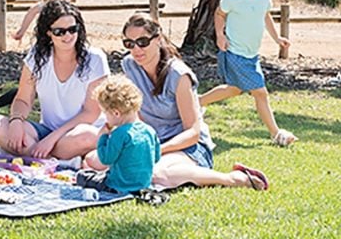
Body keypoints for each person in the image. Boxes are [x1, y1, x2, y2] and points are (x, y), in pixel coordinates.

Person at [115, 14, 269, 191]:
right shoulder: (130, 65)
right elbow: (136, 115)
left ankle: (234, 179)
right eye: (129, 44)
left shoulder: (179, 75)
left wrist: (155, 150)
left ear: (157, 39)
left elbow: (193, 133)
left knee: (156, 175)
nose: (136, 49)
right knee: (107, 165)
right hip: (153, 143)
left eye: (142, 42)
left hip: (188, 146)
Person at [0, 0, 109, 162]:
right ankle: (50, 160)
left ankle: (33, 156)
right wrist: (16, 121)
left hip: (78, 133)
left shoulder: (95, 59)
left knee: (88, 136)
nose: (67, 36)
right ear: (48, 32)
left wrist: (51, 140)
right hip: (45, 130)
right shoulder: (37, 57)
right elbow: (23, 99)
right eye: (59, 32)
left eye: (72, 29)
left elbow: (91, 113)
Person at [199, 0, 296, 146]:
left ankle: (196, 102)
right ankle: (276, 134)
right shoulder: (232, 0)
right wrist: (220, 35)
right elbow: (219, 14)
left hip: (252, 56)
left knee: (234, 90)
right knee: (260, 92)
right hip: (235, 53)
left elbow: (265, 16)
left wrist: (277, 38)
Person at [0, 0, 75, 117]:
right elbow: (32, 11)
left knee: (35, 86)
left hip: (53, 52)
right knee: (32, 86)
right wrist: (21, 31)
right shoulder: (50, 7)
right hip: (45, 52)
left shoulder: (63, 8)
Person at [77, 75, 160, 194]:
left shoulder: (120, 134)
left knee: (83, 176)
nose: (105, 117)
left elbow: (105, 159)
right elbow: (156, 157)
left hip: (117, 186)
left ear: (116, 113)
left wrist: (102, 137)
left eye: (105, 113)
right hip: (143, 184)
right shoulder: (149, 130)